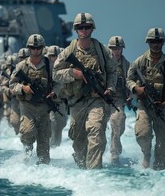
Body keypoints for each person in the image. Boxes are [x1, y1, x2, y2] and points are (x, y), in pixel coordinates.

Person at [53, 12, 118, 169]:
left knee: (95, 131)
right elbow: (55, 74)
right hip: (77, 102)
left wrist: (110, 87)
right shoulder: (68, 52)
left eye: (87, 27)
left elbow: (113, 72)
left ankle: (94, 171)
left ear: (92, 29)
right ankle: (83, 170)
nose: (84, 30)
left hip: (98, 100)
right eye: (80, 27)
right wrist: (72, 73)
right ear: (76, 29)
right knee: (79, 141)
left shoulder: (103, 51)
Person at [126, 27, 165, 170]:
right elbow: (129, 79)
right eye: (152, 41)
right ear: (148, 42)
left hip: (160, 108)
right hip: (144, 105)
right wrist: (136, 89)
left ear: (163, 43)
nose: (156, 44)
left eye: (158, 41)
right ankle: (146, 154)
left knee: (162, 142)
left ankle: (159, 170)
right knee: (143, 134)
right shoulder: (140, 61)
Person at [9, 34, 61, 164]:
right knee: (27, 132)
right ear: (29, 48)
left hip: (44, 108)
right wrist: (23, 88)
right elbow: (12, 85)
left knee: (44, 141)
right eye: (33, 48)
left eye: (38, 48)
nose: (36, 50)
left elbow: (58, 83)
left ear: (42, 48)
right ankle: (26, 156)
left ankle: (43, 170)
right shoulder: (22, 66)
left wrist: (54, 92)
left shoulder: (50, 65)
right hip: (27, 107)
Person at [107, 36, 132, 165]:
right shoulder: (103, 61)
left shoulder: (126, 65)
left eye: (118, 48)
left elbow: (132, 81)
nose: (116, 51)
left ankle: (114, 153)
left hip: (118, 100)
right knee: (95, 127)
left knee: (119, 124)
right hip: (102, 99)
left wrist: (130, 95)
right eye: (113, 48)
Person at [47, 45, 68, 147]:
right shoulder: (46, 69)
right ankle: (50, 147)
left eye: (56, 55)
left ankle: (56, 147)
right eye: (51, 56)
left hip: (62, 102)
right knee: (52, 125)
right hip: (50, 102)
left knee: (61, 125)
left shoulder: (64, 67)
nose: (54, 58)